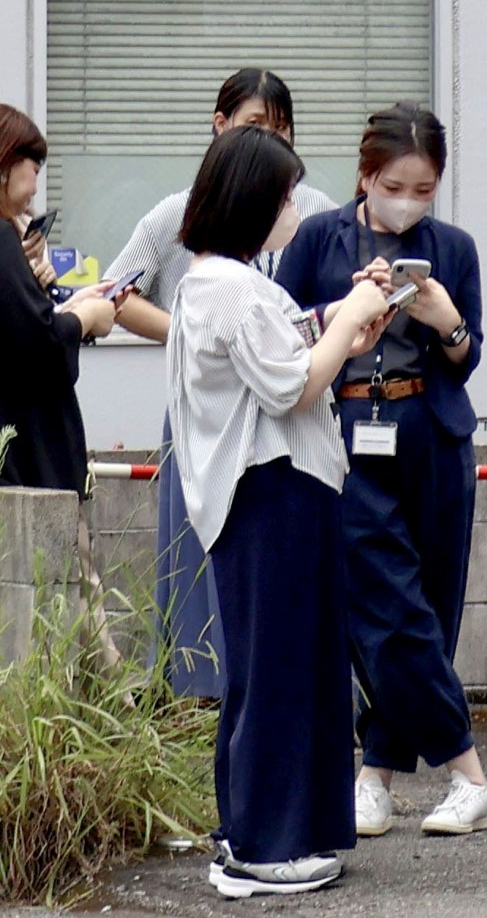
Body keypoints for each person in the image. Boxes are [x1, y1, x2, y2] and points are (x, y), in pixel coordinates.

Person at [167, 126, 395, 897]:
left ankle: (260, 832)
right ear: (253, 201)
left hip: (263, 492)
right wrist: (348, 316)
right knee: (283, 669)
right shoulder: (230, 286)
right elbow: (291, 386)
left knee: (272, 666)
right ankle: (267, 849)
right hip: (275, 491)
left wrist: (344, 323)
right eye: (284, 193)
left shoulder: (211, 280)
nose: (293, 206)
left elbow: (287, 359)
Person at [276, 103, 487, 839]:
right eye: (397, 184)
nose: (409, 201)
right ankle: (468, 774)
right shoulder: (319, 236)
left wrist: (443, 318)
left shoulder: (453, 248)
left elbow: (467, 359)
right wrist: (351, 305)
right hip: (346, 427)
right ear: (367, 175)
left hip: (430, 433)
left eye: (426, 188)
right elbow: (286, 330)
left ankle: (375, 773)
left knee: (431, 607)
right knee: (384, 605)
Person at [103, 70, 333, 698]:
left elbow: (311, 320)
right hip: (210, 411)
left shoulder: (312, 211)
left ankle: (246, 693)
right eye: (255, 126)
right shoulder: (182, 215)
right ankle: (194, 693)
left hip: (283, 425)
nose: (270, 141)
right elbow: (115, 295)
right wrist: (195, 332)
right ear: (219, 124)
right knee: (199, 556)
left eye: (281, 130)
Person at [0, 105, 117, 492]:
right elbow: (38, 345)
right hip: (24, 457)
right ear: (9, 162)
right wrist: (86, 318)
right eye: (34, 171)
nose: (34, 189)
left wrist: (63, 304)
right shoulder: (2, 237)